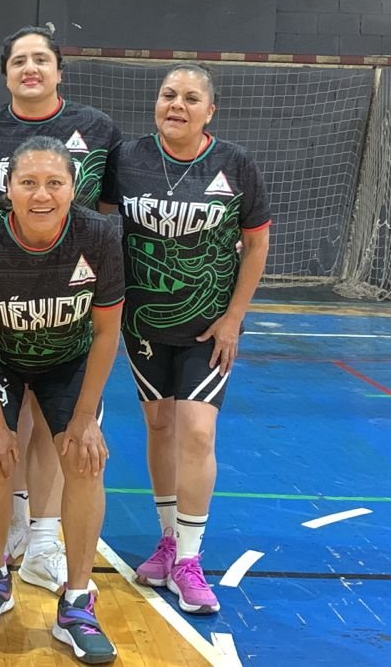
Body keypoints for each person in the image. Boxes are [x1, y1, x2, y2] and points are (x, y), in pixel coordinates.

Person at [0, 25, 123, 594]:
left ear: (60, 69)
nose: (31, 68)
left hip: (67, 292)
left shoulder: (96, 135)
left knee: (65, 434)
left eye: (42, 59)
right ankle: (5, 542)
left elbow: (112, 202)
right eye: (19, 60)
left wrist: (88, 416)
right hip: (1, 292)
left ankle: (50, 545)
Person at [101, 65, 269, 615]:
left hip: (208, 327)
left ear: (209, 111)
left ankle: (191, 559)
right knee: (160, 424)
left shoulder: (235, 165)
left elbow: (256, 243)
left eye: (190, 98)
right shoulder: (127, 159)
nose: (177, 104)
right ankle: (168, 539)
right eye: (168, 94)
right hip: (144, 322)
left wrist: (234, 317)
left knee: (197, 431)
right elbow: (103, 230)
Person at [0, 137, 123, 665]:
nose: (41, 194)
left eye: (54, 183)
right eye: (28, 182)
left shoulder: (98, 236)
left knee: (85, 462)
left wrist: (85, 419)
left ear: (74, 189)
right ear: (8, 189)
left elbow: (105, 333)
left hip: (68, 360)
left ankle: (76, 603)